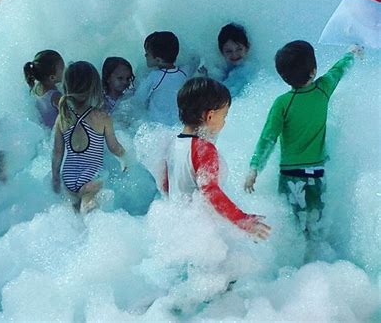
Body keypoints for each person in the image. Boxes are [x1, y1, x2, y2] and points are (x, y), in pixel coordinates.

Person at [244, 41, 363, 242]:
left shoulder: (282, 103)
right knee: (317, 224)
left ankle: (295, 265)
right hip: (316, 173)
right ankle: (318, 261)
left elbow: (268, 138)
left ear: (283, 76)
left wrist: (254, 168)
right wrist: (351, 53)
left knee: (293, 226)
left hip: (291, 175)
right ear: (314, 70)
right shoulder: (323, 89)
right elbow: (338, 70)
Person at [163, 77, 270, 239]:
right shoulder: (203, 148)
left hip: (175, 228)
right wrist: (242, 219)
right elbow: (210, 191)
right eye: (224, 115)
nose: (224, 122)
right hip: (199, 232)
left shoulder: (173, 144)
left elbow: (166, 185)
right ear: (210, 116)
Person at [51, 61, 126, 213]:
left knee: (73, 214)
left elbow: (57, 152)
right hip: (91, 175)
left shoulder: (63, 117)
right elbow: (114, 147)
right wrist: (127, 159)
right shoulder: (102, 117)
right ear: (95, 88)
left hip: (68, 175)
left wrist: (55, 177)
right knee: (90, 208)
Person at [134, 31, 187, 126]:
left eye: (147, 54)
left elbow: (139, 98)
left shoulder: (155, 76)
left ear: (158, 60)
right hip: (178, 124)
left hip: (157, 126)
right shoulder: (183, 73)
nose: (145, 56)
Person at [24, 50, 65, 129]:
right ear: (52, 77)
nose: (65, 69)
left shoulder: (36, 87)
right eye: (62, 68)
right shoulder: (56, 96)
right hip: (54, 133)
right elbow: (68, 117)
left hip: (44, 130)